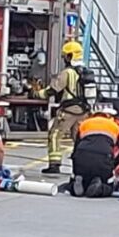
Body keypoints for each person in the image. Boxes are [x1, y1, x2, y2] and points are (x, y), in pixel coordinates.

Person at [35, 40, 93, 175]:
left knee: (55, 134)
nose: (64, 59)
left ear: (70, 56)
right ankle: (81, 165)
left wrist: (37, 93)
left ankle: (54, 165)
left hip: (68, 111)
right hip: (84, 111)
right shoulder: (85, 72)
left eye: (65, 56)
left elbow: (53, 90)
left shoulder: (67, 72)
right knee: (79, 138)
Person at [66, 103, 119, 198]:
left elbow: (76, 150)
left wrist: (75, 172)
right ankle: (99, 187)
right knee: (109, 185)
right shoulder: (115, 126)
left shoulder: (84, 124)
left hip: (82, 159)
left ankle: (78, 184)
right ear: (108, 116)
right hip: (103, 160)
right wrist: (113, 165)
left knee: (83, 177)